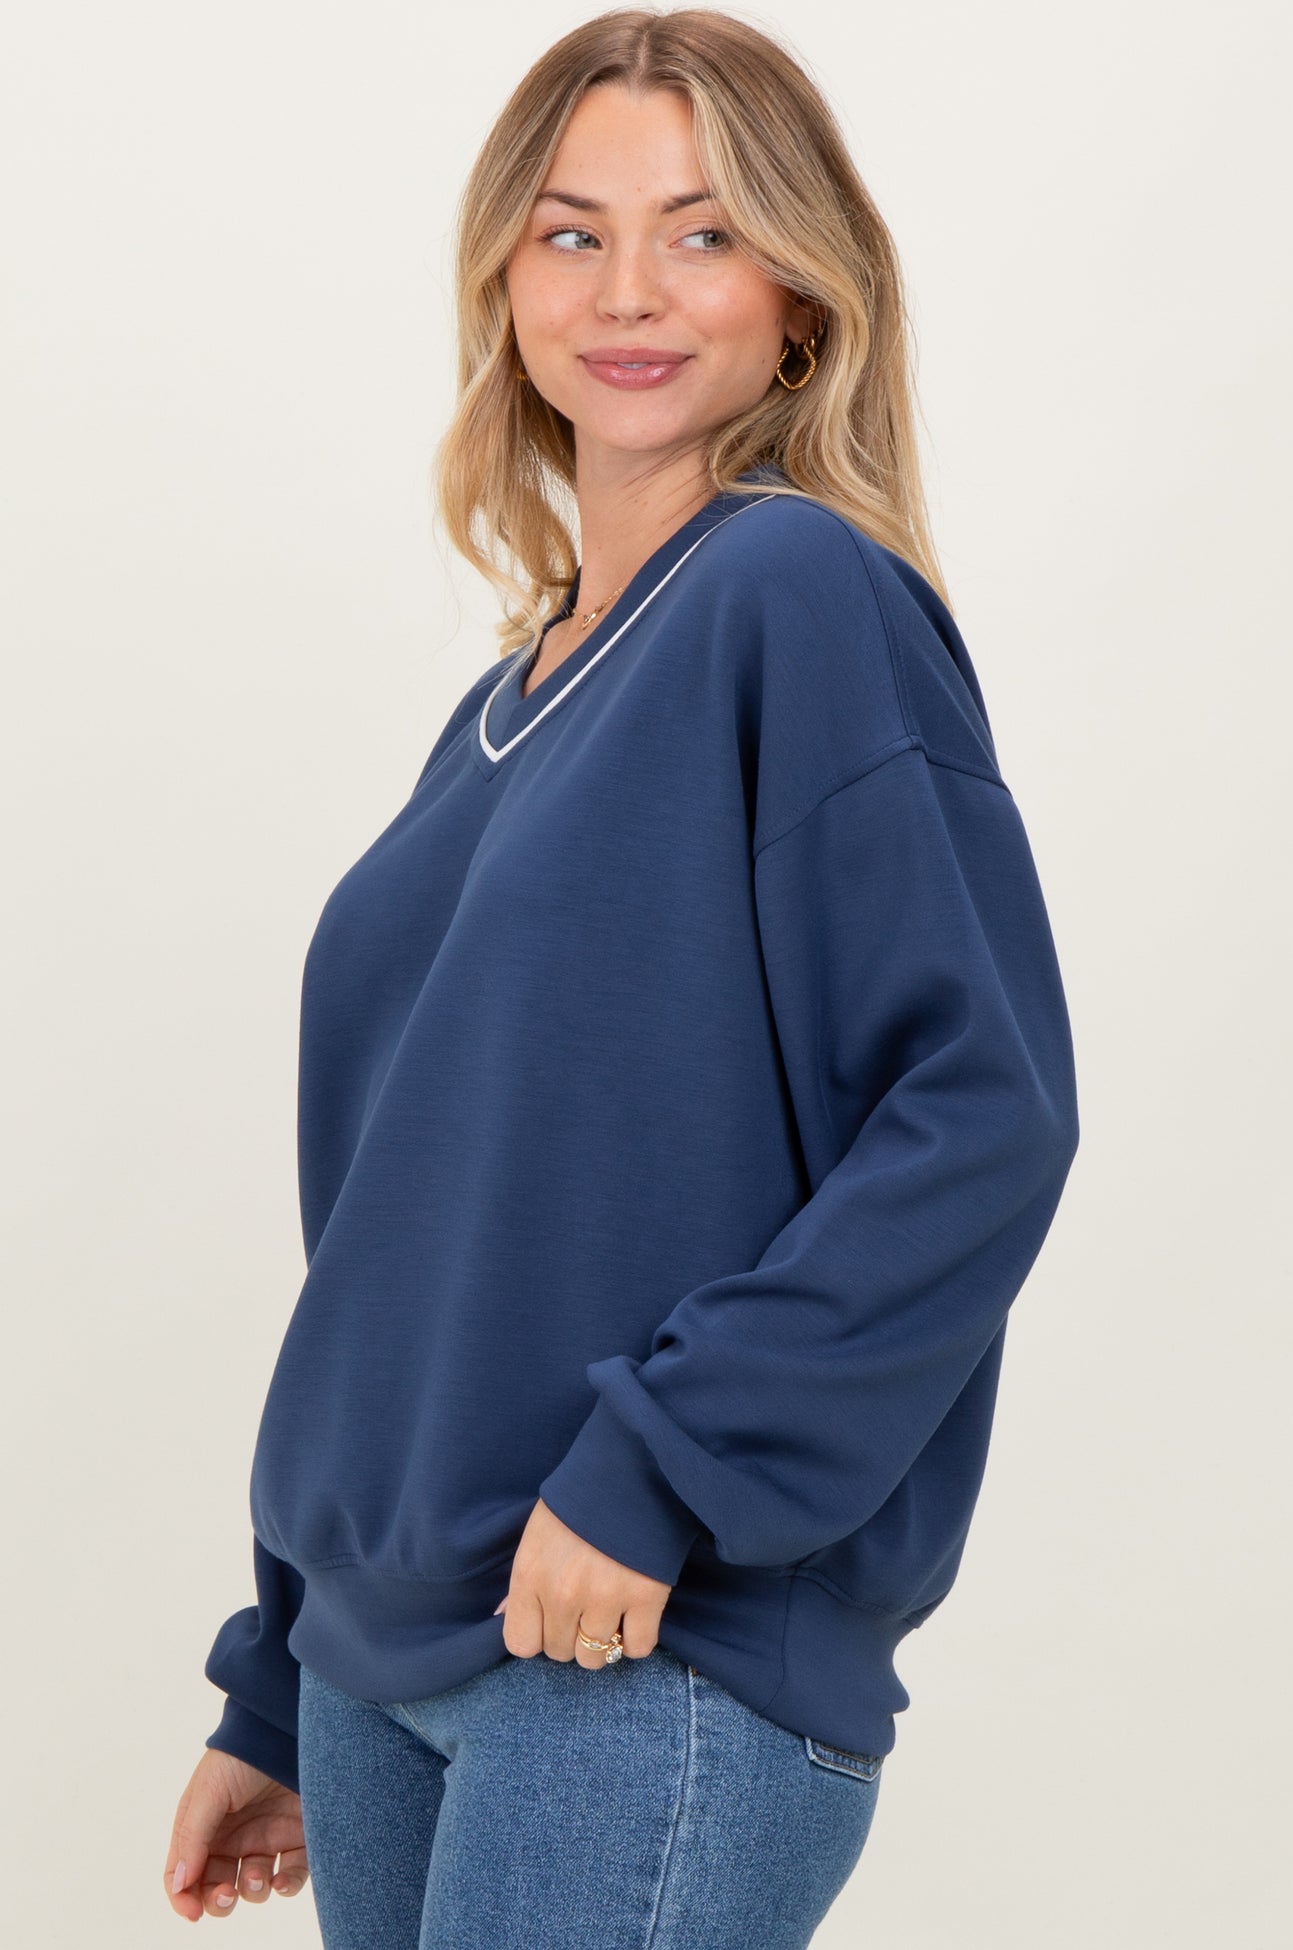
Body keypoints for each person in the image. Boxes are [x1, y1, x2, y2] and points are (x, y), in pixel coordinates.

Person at [163, 8, 1080, 1943]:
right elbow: (400, 1218)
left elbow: (977, 1109)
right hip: (376, 1667)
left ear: (803, 298)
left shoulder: (799, 594)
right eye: (572, 233)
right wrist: (279, 1669)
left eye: (704, 231)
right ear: (505, 285)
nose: (631, 291)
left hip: (636, 1646)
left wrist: (672, 1464)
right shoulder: (495, 716)